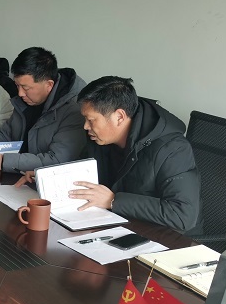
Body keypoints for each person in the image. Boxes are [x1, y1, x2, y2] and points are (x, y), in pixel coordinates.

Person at [69, 76, 202, 233]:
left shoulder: (172, 149)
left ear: (119, 117)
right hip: (118, 224)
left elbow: (183, 215)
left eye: (91, 120)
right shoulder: (100, 138)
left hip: (168, 238)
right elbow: (83, 174)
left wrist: (113, 201)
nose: (85, 126)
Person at [0, 47, 87, 173]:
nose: (20, 93)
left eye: (26, 88)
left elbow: (57, 160)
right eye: (17, 85)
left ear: (49, 85)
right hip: (20, 174)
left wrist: (4, 162)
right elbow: (7, 134)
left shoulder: (74, 110)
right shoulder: (25, 102)